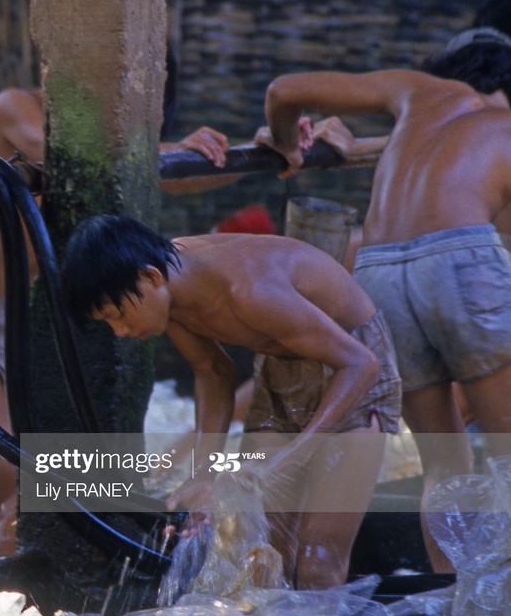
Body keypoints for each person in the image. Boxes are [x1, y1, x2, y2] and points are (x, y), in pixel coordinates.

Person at [0, 84, 243, 557]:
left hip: (27, 329)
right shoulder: (14, 106)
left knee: (31, 470)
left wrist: (239, 155)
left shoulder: (115, 146)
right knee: (18, 466)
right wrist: (167, 148)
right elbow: (56, 152)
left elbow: (169, 174)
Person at [259, 28, 511, 573]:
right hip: (462, 260)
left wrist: (286, 144)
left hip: (375, 274)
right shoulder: (502, 125)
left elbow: (284, 90)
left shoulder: (415, 95)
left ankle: (452, 602)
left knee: (446, 467)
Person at [61, 214, 401, 589]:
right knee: (266, 558)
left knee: (317, 562)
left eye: (119, 316)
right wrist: (202, 474)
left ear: (151, 278)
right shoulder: (167, 290)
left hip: (350, 369)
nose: (120, 332)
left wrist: (291, 459)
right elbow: (212, 370)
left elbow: (360, 364)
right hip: (279, 371)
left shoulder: (249, 291)